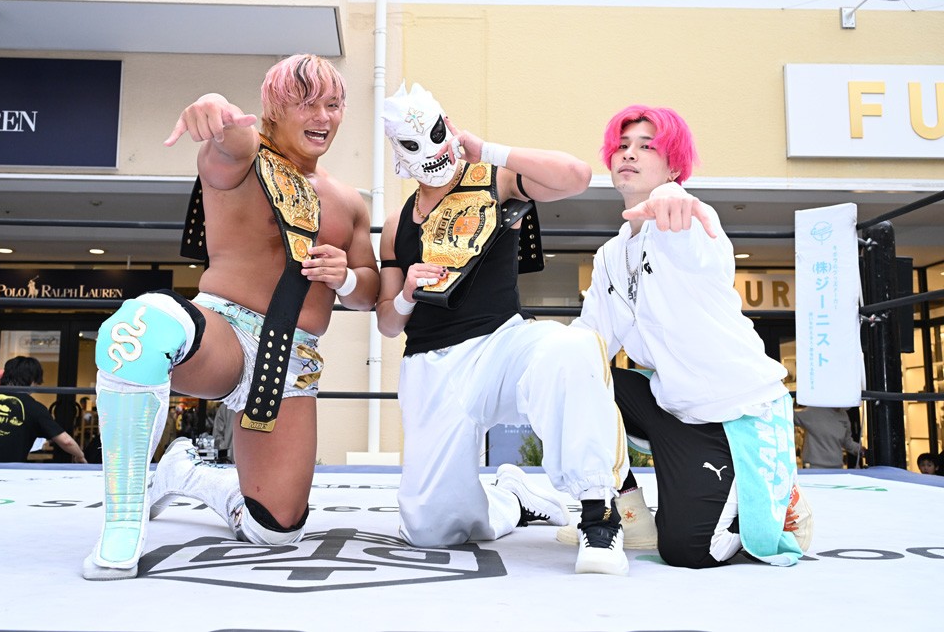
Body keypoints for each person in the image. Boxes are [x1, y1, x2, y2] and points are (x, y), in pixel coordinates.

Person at [83, 54, 379, 580]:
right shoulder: (246, 158)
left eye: (333, 105)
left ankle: (189, 476)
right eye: (307, 103)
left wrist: (346, 279)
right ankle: (123, 523)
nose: (323, 117)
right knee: (137, 330)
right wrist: (215, 108)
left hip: (293, 359)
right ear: (273, 110)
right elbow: (228, 140)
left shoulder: (348, 201)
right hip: (224, 333)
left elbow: (369, 293)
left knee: (276, 529)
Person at [376, 82, 631, 576]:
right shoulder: (395, 224)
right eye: (412, 141)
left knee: (572, 347)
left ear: (449, 127)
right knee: (430, 528)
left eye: (436, 132)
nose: (430, 147)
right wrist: (406, 292)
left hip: (503, 343)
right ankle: (513, 499)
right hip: (431, 365)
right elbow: (388, 323)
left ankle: (598, 509)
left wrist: (490, 150)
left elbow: (577, 176)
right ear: (397, 153)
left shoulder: (495, 179)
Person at [571, 105, 812, 569]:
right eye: (622, 145)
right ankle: (628, 513)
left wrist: (673, 199)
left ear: (673, 168)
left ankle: (777, 497)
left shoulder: (692, 225)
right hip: (670, 405)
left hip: (734, 413)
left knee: (688, 550)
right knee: (571, 373)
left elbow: (685, 228)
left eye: (647, 146)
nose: (629, 154)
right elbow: (590, 340)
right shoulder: (610, 255)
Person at [0, 356, 87, 464]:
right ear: (33, 380)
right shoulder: (35, 408)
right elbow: (66, 441)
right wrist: (79, 456)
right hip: (7, 475)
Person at [794, 406, 864, 469]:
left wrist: (860, 450)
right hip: (814, 468)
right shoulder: (813, 411)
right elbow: (792, 417)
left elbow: (847, 442)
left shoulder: (843, 415)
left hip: (837, 467)